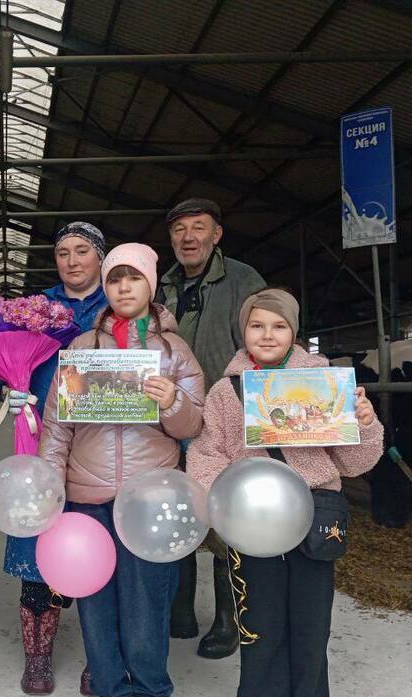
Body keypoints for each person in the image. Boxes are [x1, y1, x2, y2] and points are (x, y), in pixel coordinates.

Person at [186, 287, 383, 697]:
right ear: (243, 331)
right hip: (254, 519)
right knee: (261, 623)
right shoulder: (226, 392)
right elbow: (207, 453)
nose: (267, 334)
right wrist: (224, 500)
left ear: (294, 332)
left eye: (279, 325)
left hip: (314, 513)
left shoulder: (325, 385)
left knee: (311, 625)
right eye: (257, 325)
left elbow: (355, 463)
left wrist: (364, 422)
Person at [39, 243, 205, 697]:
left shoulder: (174, 351)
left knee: (146, 605)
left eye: (134, 278)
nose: (124, 287)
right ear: (105, 287)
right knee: (95, 607)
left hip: (148, 498)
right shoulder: (81, 349)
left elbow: (194, 424)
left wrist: (172, 401)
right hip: (87, 497)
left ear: (151, 285)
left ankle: (149, 696)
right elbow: (56, 426)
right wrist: (51, 485)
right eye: (115, 279)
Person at [155, 197, 267, 657]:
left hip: (227, 418)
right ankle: (180, 608)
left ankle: (228, 620)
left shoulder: (243, 280)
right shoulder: (160, 286)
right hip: (171, 416)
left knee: (225, 517)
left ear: (216, 234)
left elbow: (265, 338)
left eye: (198, 227)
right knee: (179, 510)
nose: (188, 237)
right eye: (179, 229)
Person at [5, 221, 109, 696]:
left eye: (82, 250)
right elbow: (11, 359)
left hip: (101, 443)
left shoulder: (118, 303)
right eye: (63, 252)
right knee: (38, 542)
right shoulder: (36, 309)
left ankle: (100, 655)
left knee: (97, 543)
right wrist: (12, 388)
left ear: (101, 257)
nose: (72, 260)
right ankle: (38, 655)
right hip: (41, 437)